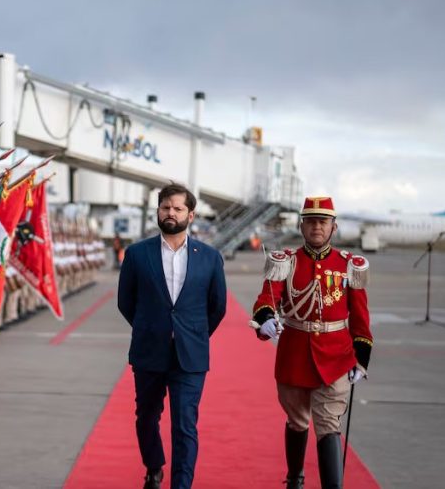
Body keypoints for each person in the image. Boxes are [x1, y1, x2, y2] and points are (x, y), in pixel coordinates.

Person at [250, 196, 373, 489]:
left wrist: (361, 356)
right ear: (301, 225)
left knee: (329, 425)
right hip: (294, 355)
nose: (317, 227)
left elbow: (360, 315)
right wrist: (266, 319)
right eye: (311, 221)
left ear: (333, 227)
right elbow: (267, 297)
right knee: (296, 421)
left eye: (323, 222)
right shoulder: (286, 261)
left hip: (336, 356)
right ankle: (295, 478)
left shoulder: (348, 265)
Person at [116, 182, 227, 489]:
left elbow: (217, 307)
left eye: (178, 208)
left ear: (190, 215)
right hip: (149, 351)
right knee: (146, 418)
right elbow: (126, 301)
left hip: (190, 356)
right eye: (166, 207)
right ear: (157, 211)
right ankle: (154, 468)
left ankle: (181, 485)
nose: (171, 213)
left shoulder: (209, 257)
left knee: (185, 425)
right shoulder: (137, 254)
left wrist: (193, 334)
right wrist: (150, 327)